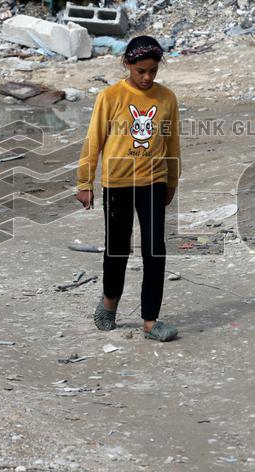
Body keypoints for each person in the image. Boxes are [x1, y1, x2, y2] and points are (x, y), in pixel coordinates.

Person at [75, 36, 181, 342]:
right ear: (127, 64)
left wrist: (172, 180)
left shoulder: (167, 99)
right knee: (117, 248)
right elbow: (93, 141)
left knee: (155, 250)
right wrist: (84, 182)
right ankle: (109, 302)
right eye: (140, 71)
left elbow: (172, 143)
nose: (147, 77)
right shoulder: (110, 97)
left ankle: (150, 321)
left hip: (154, 182)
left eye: (152, 71)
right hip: (118, 184)